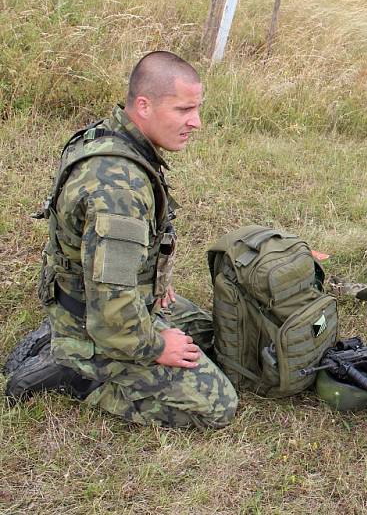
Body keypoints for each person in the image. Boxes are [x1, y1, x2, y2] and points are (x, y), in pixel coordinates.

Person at [4, 51, 238, 429]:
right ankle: (78, 373)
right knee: (216, 406)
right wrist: (159, 346)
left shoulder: (111, 137)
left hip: (88, 294)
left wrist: (157, 283)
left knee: (207, 332)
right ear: (143, 105)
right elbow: (114, 312)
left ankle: (63, 336)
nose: (195, 122)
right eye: (183, 110)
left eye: (196, 109)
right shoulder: (120, 191)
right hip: (99, 320)